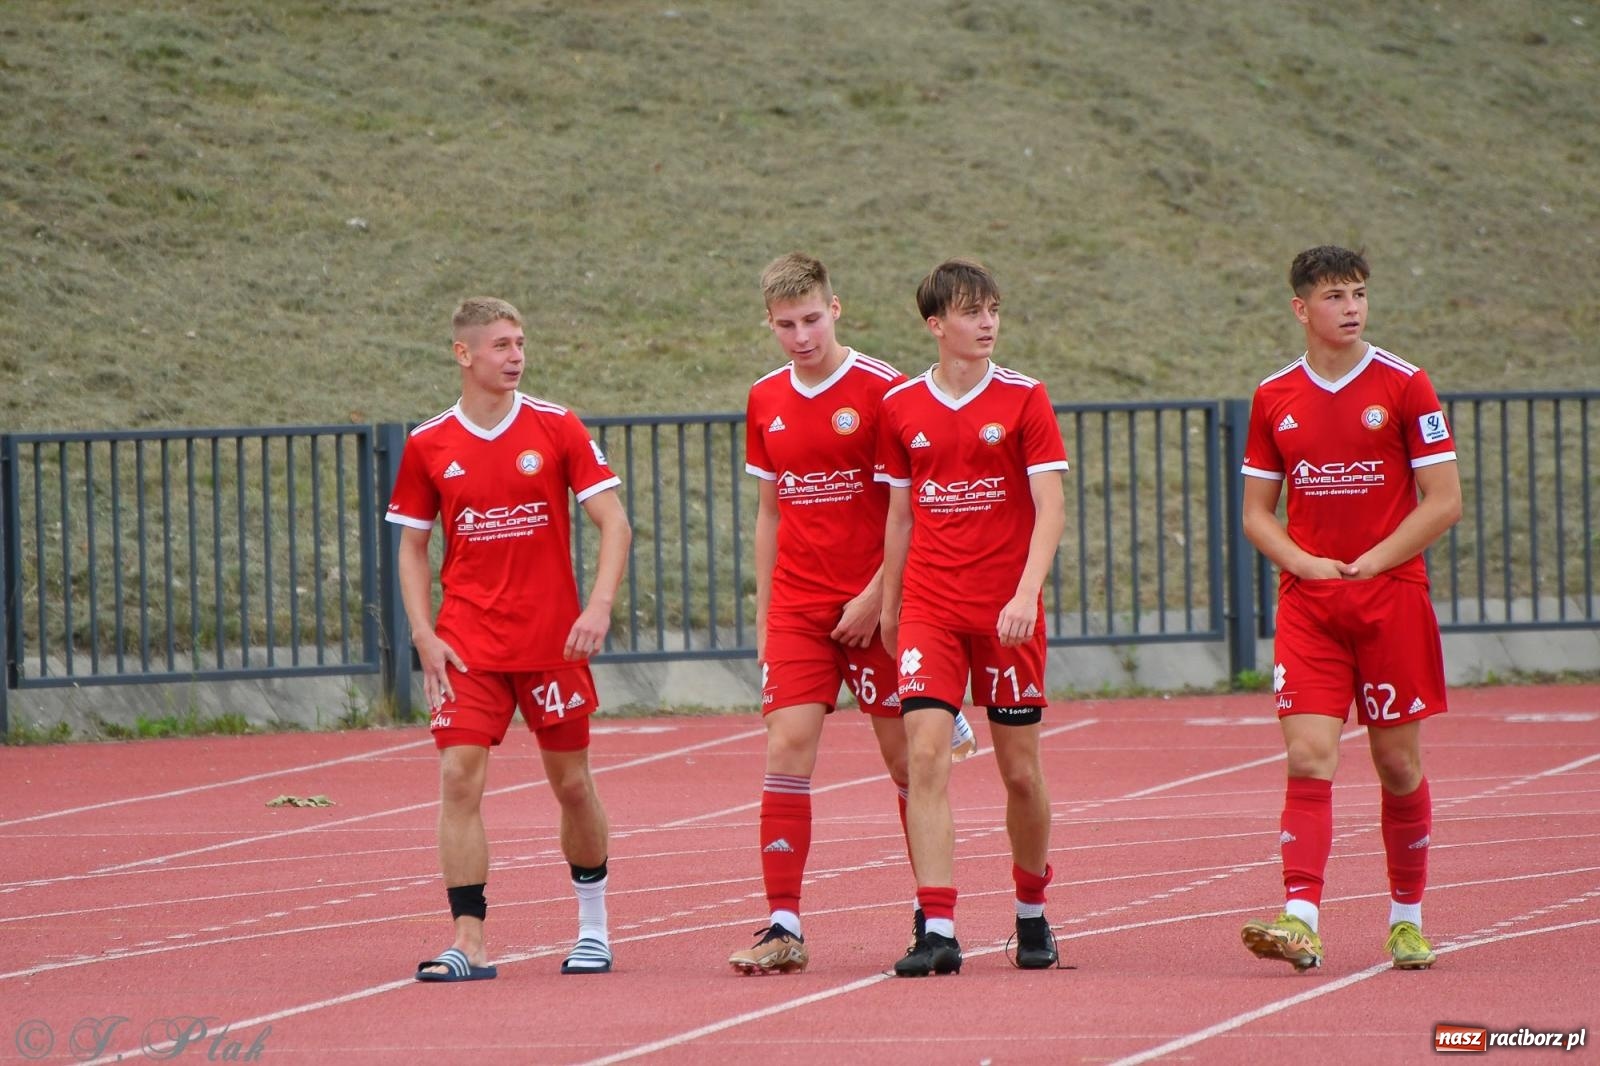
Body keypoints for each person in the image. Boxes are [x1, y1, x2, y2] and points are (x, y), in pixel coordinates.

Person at [729, 252, 978, 975]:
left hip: (879, 606)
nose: (801, 336)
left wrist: (880, 595)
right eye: (786, 325)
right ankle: (782, 925)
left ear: (835, 310)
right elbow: (769, 511)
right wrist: (765, 610)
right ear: (769, 324)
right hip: (800, 609)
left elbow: (912, 507)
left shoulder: (885, 391)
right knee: (786, 750)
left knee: (907, 760)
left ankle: (930, 914)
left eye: (811, 319)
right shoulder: (765, 398)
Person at [386, 296, 632, 982]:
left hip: (553, 643)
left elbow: (614, 522)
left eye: (519, 342)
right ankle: (469, 940)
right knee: (458, 778)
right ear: (464, 354)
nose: (515, 354)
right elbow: (411, 547)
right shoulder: (429, 442)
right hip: (467, 645)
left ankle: (592, 928)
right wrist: (423, 634)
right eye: (499, 344)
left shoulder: (557, 426)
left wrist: (598, 606)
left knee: (573, 786)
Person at [1238, 246, 1461, 973]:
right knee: (1308, 755)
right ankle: (1300, 917)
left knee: (1397, 765)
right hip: (1310, 603)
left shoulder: (1404, 384)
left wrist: (1377, 557)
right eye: (1335, 295)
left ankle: (1406, 918)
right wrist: (1300, 562)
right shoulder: (1274, 395)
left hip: (1390, 597)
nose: (1352, 307)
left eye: (1359, 292)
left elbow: (1445, 500)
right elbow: (1256, 513)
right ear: (1302, 309)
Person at [875, 258, 1069, 976]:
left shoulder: (1024, 398)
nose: (987, 323)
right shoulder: (899, 406)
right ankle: (940, 926)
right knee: (926, 755)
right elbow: (898, 516)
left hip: (1007, 610)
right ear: (936, 324)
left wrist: (1025, 593)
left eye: (993, 310)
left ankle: (1030, 910)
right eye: (971, 312)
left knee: (1020, 773)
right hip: (930, 605)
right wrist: (892, 606)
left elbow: (1050, 505)